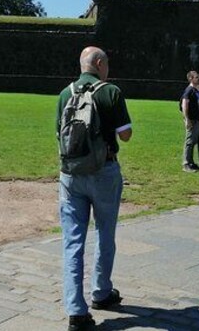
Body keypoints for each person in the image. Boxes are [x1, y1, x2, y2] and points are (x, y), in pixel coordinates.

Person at [56, 47, 133, 331]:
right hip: (104, 172)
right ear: (99, 64)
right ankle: (101, 292)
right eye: (107, 63)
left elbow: (59, 134)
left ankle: (76, 311)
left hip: (71, 174)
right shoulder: (110, 92)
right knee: (104, 233)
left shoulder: (65, 93)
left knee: (72, 241)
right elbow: (125, 135)